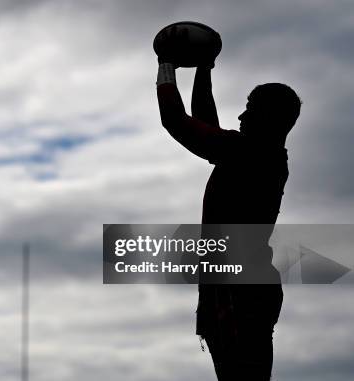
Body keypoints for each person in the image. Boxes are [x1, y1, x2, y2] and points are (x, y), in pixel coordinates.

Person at [155, 33, 301, 380]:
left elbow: (176, 121)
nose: (240, 115)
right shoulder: (256, 154)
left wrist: (165, 65)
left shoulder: (250, 154)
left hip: (240, 292)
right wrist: (203, 68)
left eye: (249, 110)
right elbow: (207, 126)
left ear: (266, 118)